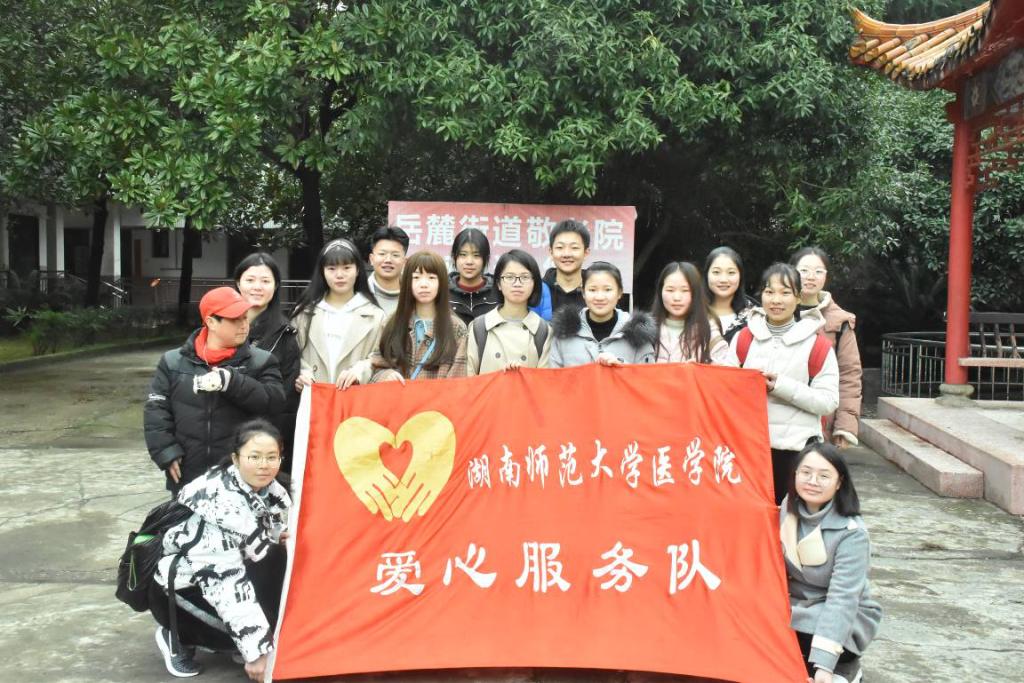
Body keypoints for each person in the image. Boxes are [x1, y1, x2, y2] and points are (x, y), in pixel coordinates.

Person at [150, 419, 291, 680]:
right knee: (266, 634)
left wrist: (275, 536)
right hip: (182, 589)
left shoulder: (268, 488)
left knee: (281, 559)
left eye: (272, 457)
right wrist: (256, 651)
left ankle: (235, 640)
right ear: (236, 458)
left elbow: (264, 529)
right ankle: (177, 636)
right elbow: (225, 582)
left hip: (229, 569)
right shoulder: (216, 503)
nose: (264, 465)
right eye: (254, 457)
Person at [144, 287, 286, 493]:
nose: (244, 325)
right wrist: (166, 452)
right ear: (211, 322)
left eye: (245, 317)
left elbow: (275, 403)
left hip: (240, 473)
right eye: (235, 319)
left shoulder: (262, 361)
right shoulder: (173, 361)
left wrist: (232, 382)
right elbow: (156, 409)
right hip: (187, 471)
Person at [730, 263, 839, 504]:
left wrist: (781, 386)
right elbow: (723, 390)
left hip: (796, 453)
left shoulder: (817, 346)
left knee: (789, 519)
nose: (776, 300)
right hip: (748, 450)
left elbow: (828, 401)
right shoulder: (743, 339)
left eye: (785, 292)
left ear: (798, 297)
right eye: (769, 292)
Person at [781, 442, 881, 683]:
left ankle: (842, 670)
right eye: (806, 472)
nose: (812, 481)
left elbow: (843, 599)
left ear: (839, 482)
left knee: (805, 637)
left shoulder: (852, 533)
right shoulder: (787, 509)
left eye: (824, 476)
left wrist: (824, 666)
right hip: (795, 603)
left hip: (841, 613)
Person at [233, 252, 301, 468]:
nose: (257, 287)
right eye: (250, 280)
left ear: (276, 285)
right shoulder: (220, 326)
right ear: (238, 283)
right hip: (223, 431)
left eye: (265, 281)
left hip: (264, 437)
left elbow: (285, 397)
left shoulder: (286, 334)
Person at [291, 239, 386, 391]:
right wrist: (302, 373)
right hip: (312, 398)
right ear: (322, 272)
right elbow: (291, 356)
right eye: (331, 268)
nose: (339, 275)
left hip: (356, 401)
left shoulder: (376, 316)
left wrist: (360, 371)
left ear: (358, 270)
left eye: (347, 268)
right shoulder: (304, 314)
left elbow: (382, 359)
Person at [791, 247, 863, 449]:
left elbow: (849, 375)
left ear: (826, 276)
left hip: (821, 422)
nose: (810, 277)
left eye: (818, 271)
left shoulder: (840, 321)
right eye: (804, 270)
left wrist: (846, 426)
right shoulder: (776, 313)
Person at [370, 251, 469, 382]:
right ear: (407, 282)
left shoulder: (456, 328)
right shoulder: (393, 323)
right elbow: (376, 367)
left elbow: (458, 381)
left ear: (442, 283)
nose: (424, 284)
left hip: (439, 395)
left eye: (431, 278)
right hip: (399, 395)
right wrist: (385, 375)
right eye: (416, 277)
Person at [550, 261, 656, 367]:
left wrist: (621, 366)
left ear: (619, 293)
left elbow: (647, 375)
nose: (599, 297)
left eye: (607, 290)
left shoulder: (638, 334)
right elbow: (553, 375)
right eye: (592, 290)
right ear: (583, 292)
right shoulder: (564, 333)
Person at [468, 249, 551, 375]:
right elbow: (469, 380)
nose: (517, 283)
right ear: (498, 283)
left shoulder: (543, 330)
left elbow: (543, 381)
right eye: (509, 277)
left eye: (525, 277)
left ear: (534, 284)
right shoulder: (479, 327)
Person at [651, 261, 733, 365]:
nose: (677, 298)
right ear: (660, 291)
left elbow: (727, 365)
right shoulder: (645, 330)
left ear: (695, 293)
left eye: (685, 290)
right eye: (670, 290)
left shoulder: (708, 328)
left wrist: (700, 369)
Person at [704, 246, 757, 343]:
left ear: (740, 276)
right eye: (716, 272)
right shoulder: (692, 311)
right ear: (707, 274)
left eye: (731, 272)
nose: (723, 279)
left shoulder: (755, 317)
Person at [448, 228, 499, 325]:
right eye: (463, 255)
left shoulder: (499, 292)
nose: (469, 262)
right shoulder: (441, 292)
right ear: (454, 257)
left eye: (476, 255)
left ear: (486, 258)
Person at [542, 219, 591, 315]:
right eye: (560, 247)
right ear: (551, 252)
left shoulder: (597, 293)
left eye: (574, 248)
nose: (567, 254)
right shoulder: (538, 291)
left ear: (586, 253)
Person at [366, 225, 409, 316]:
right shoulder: (358, 295)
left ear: (404, 262)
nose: (388, 260)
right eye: (382, 254)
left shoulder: (415, 296)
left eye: (395, 255)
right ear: (372, 259)